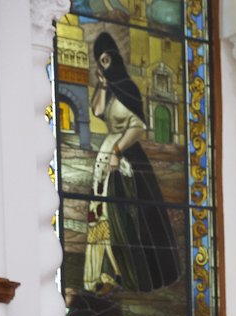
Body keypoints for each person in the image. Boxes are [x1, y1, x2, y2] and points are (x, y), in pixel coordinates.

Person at [87, 32, 179, 293]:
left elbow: (138, 126)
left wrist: (117, 151)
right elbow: (97, 111)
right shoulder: (110, 89)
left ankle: (136, 274)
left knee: (128, 214)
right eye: (100, 62)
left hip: (128, 157)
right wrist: (102, 85)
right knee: (104, 212)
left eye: (106, 60)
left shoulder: (129, 88)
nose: (104, 66)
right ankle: (109, 271)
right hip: (108, 155)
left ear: (115, 58)